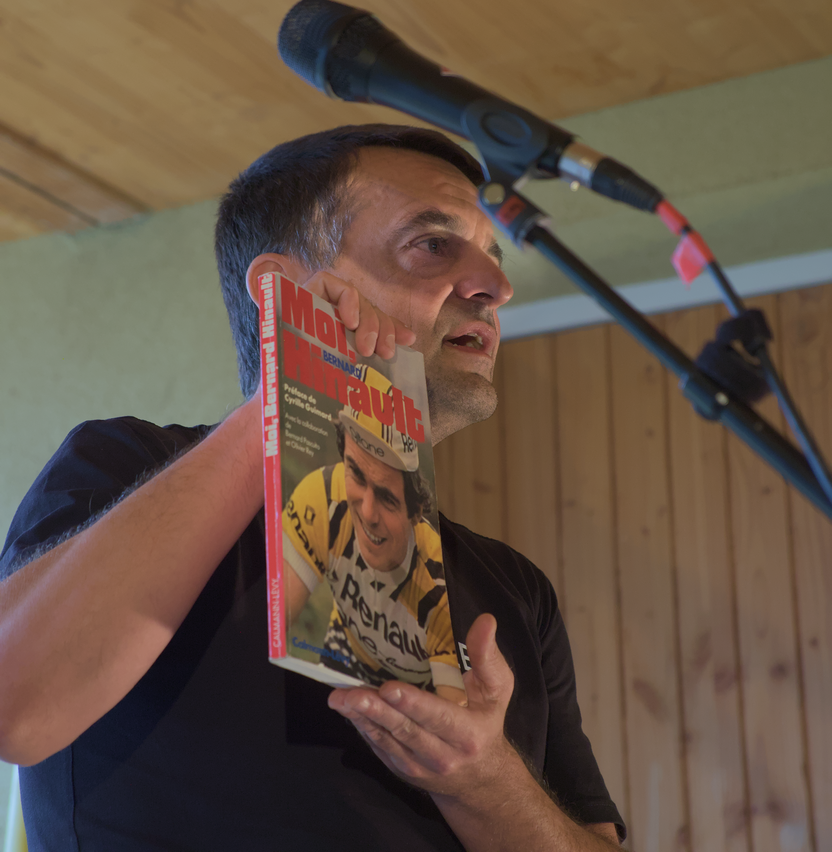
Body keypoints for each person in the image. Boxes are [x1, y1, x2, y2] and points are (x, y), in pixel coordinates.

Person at [0, 124, 626, 850]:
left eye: (493, 255)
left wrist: (483, 780)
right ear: (283, 289)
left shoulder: (515, 588)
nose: (496, 286)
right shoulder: (122, 464)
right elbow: (16, 706)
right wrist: (288, 389)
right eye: (433, 244)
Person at [283, 369, 463, 699]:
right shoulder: (323, 498)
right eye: (356, 474)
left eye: (386, 497)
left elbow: (451, 717)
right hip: (346, 654)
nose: (367, 512)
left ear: (415, 512)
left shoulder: (438, 585)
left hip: (416, 693)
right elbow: (271, 632)